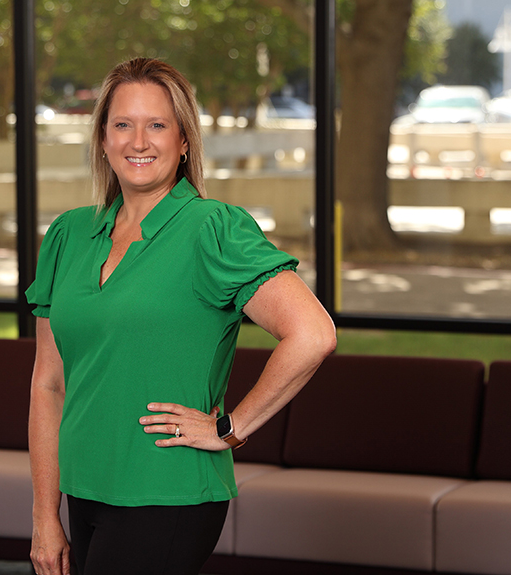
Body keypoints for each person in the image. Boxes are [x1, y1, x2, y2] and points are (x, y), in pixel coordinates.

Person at [26, 57, 336, 575]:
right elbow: (48, 384)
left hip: (166, 491)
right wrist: (43, 514)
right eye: (122, 124)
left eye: (158, 125)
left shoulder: (213, 229)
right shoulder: (68, 235)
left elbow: (313, 333)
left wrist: (231, 429)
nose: (138, 141)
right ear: (103, 139)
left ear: (185, 141)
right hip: (83, 488)